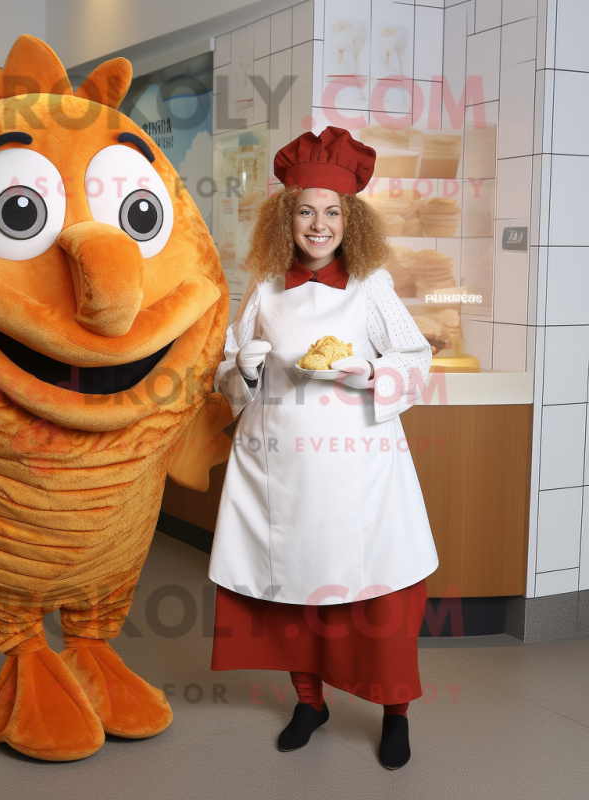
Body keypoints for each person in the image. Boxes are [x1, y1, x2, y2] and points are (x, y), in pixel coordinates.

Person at [208, 127, 439, 770]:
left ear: (350, 219)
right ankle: (309, 703)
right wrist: (244, 371)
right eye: (307, 210)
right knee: (292, 596)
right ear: (288, 215)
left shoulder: (372, 287)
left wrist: (373, 375)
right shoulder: (262, 291)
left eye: (332, 212)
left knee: (379, 597)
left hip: (361, 469)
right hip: (279, 471)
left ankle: (396, 715)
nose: (319, 224)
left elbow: (415, 360)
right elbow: (228, 375)